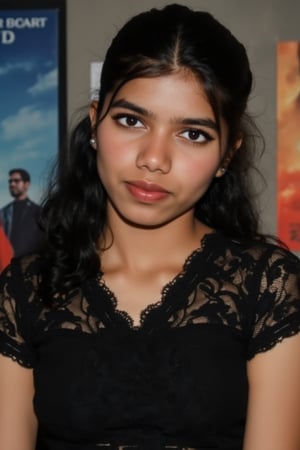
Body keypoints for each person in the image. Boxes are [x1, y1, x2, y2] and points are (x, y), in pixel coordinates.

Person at [0, 4, 300, 449]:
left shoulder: (268, 284)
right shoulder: (26, 290)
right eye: (131, 120)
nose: (154, 159)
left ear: (228, 153)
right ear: (97, 122)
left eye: (192, 133)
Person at [0, 168, 43, 257]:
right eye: (10, 181)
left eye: (16, 181)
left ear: (26, 185)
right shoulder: (3, 213)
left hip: (31, 265)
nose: (12, 184)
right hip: (8, 265)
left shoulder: (38, 211)